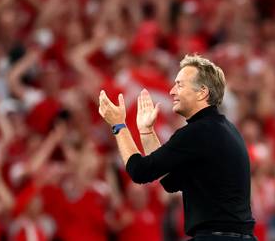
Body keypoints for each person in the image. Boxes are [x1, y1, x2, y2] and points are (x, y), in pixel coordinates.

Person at [98, 54, 256, 240]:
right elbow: (170, 181)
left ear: (202, 92)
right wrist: (147, 132)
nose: (172, 91)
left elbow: (139, 171)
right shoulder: (225, 129)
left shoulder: (198, 132)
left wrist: (118, 126)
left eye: (180, 85)